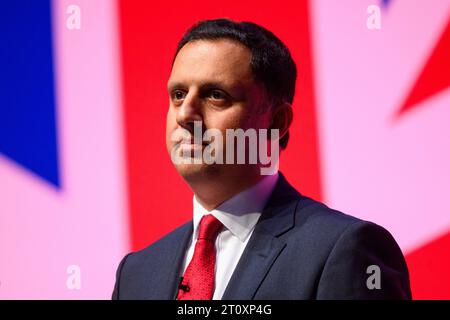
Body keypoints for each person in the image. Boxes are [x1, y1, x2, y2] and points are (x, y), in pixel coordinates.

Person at [112, 18, 411, 300]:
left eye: (215, 94)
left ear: (277, 122)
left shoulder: (347, 250)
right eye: (178, 94)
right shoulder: (136, 274)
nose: (184, 113)